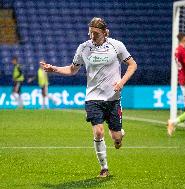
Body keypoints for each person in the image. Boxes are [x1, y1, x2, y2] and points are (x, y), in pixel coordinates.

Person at [41, 17, 137, 176]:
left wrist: (122, 82)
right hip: (93, 98)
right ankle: (104, 168)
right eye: (90, 32)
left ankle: (119, 136)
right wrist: (55, 69)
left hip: (113, 98)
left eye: (96, 33)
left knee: (116, 136)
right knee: (98, 132)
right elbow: (73, 70)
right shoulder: (83, 48)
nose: (92, 36)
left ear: (105, 32)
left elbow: (132, 64)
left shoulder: (117, 46)